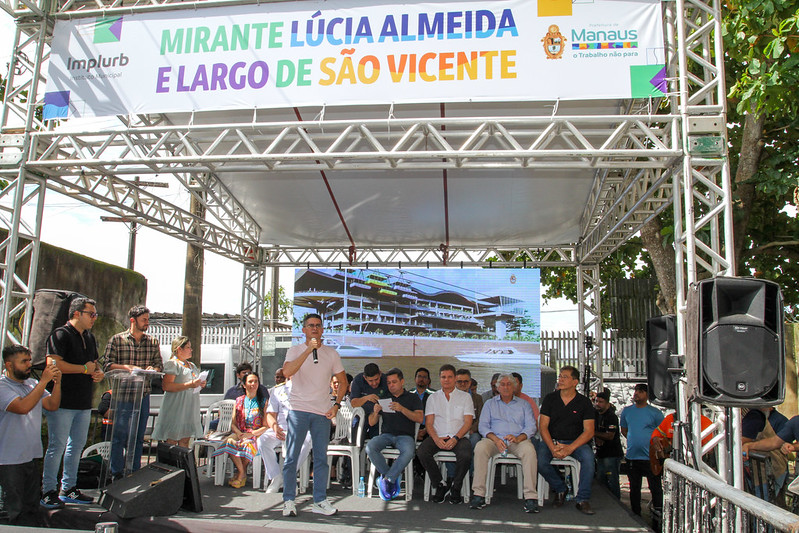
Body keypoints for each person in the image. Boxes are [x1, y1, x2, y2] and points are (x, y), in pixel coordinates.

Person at [281, 314, 347, 517]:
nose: (315, 329)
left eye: (318, 326)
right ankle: (289, 500)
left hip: (321, 413)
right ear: (304, 330)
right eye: (311, 326)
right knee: (291, 458)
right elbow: (287, 372)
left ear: (323, 329)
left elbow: (343, 382)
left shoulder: (332, 354)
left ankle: (319, 500)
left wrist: (336, 406)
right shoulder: (295, 350)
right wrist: (309, 350)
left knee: (320, 459)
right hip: (298, 410)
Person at [41, 297, 104, 509]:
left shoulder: (90, 337)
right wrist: (84, 369)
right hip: (62, 400)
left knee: (75, 447)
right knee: (57, 446)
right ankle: (48, 490)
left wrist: (98, 373)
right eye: (91, 314)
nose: (94, 318)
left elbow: (94, 364)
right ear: (77, 313)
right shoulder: (60, 334)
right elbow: (53, 364)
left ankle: (69, 488)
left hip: (84, 401)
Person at [0, 345, 61, 526]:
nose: (29, 365)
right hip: (9, 459)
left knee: (31, 509)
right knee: (12, 510)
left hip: (31, 456)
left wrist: (57, 382)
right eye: (24, 361)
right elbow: (22, 408)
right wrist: (43, 381)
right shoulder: (2, 387)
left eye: (29, 360)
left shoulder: (32, 384)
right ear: (9, 365)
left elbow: (52, 405)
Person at [102, 304, 163, 479]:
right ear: (132, 320)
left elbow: (159, 364)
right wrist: (126, 368)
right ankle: (116, 473)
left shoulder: (152, 342)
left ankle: (134, 471)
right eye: (144, 320)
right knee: (119, 436)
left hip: (142, 395)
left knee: (137, 437)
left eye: (148, 320)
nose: (147, 323)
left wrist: (154, 368)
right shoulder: (117, 340)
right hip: (122, 395)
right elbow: (106, 365)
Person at [469, 374, 539, 513]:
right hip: (494, 440)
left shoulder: (524, 404)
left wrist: (519, 438)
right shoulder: (489, 404)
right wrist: (496, 439)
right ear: (497, 387)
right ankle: (479, 494)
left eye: (509, 384)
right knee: (480, 448)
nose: (505, 387)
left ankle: (530, 497)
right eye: (502, 384)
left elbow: (531, 427)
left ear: (514, 387)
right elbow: (483, 427)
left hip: (517, 440)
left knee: (530, 451)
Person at [537, 365, 595, 515]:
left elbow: (589, 431)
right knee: (540, 461)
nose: (560, 380)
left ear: (575, 382)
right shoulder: (550, 399)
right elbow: (543, 427)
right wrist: (552, 447)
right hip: (553, 440)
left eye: (565, 377)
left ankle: (583, 499)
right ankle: (560, 488)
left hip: (575, 442)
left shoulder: (584, 402)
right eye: (560, 376)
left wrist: (570, 448)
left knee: (589, 458)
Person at [416, 364, 474, 504]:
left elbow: (468, 423)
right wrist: (436, 439)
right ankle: (440, 484)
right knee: (422, 452)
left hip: (459, 437)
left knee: (466, 454)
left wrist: (455, 438)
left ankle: (456, 486)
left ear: (455, 379)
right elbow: (429, 423)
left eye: (449, 377)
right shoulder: (433, 398)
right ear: (439, 379)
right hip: (438, 436)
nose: (446, 380)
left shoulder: (465, 397)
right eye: (443, 377)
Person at [366, 368, 423, 501]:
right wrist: (375, 412)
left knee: (409, 451)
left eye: (394, 382)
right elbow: (372, 422)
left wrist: (402, 409)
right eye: (389, 383)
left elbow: (420, 418)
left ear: (402, 381)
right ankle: (391, 477)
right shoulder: (384, 397)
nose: (391, 385)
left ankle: (387, 479)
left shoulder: (412, 397)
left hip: (405, 436)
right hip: (386, 435)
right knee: (370, 447)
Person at [620, 383, 664, 529]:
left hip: (650, 458)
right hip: (632, 456)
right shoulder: (627, 412)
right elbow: (624, 430)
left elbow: (661, 433)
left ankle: (658, 514)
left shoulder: (655, 413)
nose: (636, 394)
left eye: (640, 391)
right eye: (636, 391)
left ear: (647, 395)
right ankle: (635, 515)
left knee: (655, 487)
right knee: (634, 487)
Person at [213, 372, 268, 488]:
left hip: (255, 433)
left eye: (255, 381)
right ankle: (242, 472)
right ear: (244, 384)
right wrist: (239, 433)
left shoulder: (263, 402)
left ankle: (240, 474)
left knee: (248, 445)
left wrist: (251, 434)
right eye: (250, 381)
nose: (253, 384)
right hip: (239, 432)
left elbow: (266, 425)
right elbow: (233, 424)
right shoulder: (238, 401)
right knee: (230, 442)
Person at [260, 375, 312, 493]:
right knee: (262, 441)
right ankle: (275, 476)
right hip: (281, 429)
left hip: (300, 429)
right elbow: (270, 414)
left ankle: (287, 476)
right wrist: (274, 427)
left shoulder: (309, 390)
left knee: (306, 442)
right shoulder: (278, 390)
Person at [151, 336, 206, 447]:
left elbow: (194, 382)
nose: (191, 350)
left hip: (189, 406)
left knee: (185, 440)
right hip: (176, 406)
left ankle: (183, 463)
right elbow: (167, 386)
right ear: (179, 349)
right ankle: (170, 463)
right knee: (172, 439)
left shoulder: (192, 365)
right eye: (188, 347)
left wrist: (200, 384)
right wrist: (189, 384)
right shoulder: (173, 364)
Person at [741, 409, 794, 502]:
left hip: (768, 471)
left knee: (761, 504)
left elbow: (774, 443)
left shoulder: (755, 417)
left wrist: (792, 447)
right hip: (759, 471)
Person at [593, 390, 623, 499]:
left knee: (612, 480)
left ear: (607, 404)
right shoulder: (595, 415)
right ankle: (605, 500)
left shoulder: (611, 416)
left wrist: (594, 433)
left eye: (601, 402)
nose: (598, 404)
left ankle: (616, 501)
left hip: (612, 453)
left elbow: (610, 436)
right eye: (597, 401)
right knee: (601, 479)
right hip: (601, 453)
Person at [350, 363, 388, 441]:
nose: (374, 383)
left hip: (379, 416)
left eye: (376, 379)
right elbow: (353, 403)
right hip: (361, 415)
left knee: (376, 441)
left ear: (380, 374)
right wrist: (367, 398)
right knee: (356, 439)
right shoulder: (358, 380)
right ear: (365, 377)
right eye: (370, 381)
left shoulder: (386, 380)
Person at [456, 368, 484, 448]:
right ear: (455, 382)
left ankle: (471, 461)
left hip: (472, 431)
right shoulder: (450, 397)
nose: (463, 384)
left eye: (465, 381)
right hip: (454, 430)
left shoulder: (478, 398)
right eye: (459, 381)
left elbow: (481, 418)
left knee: (475, 439)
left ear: (470, 383)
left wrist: (471, 429)